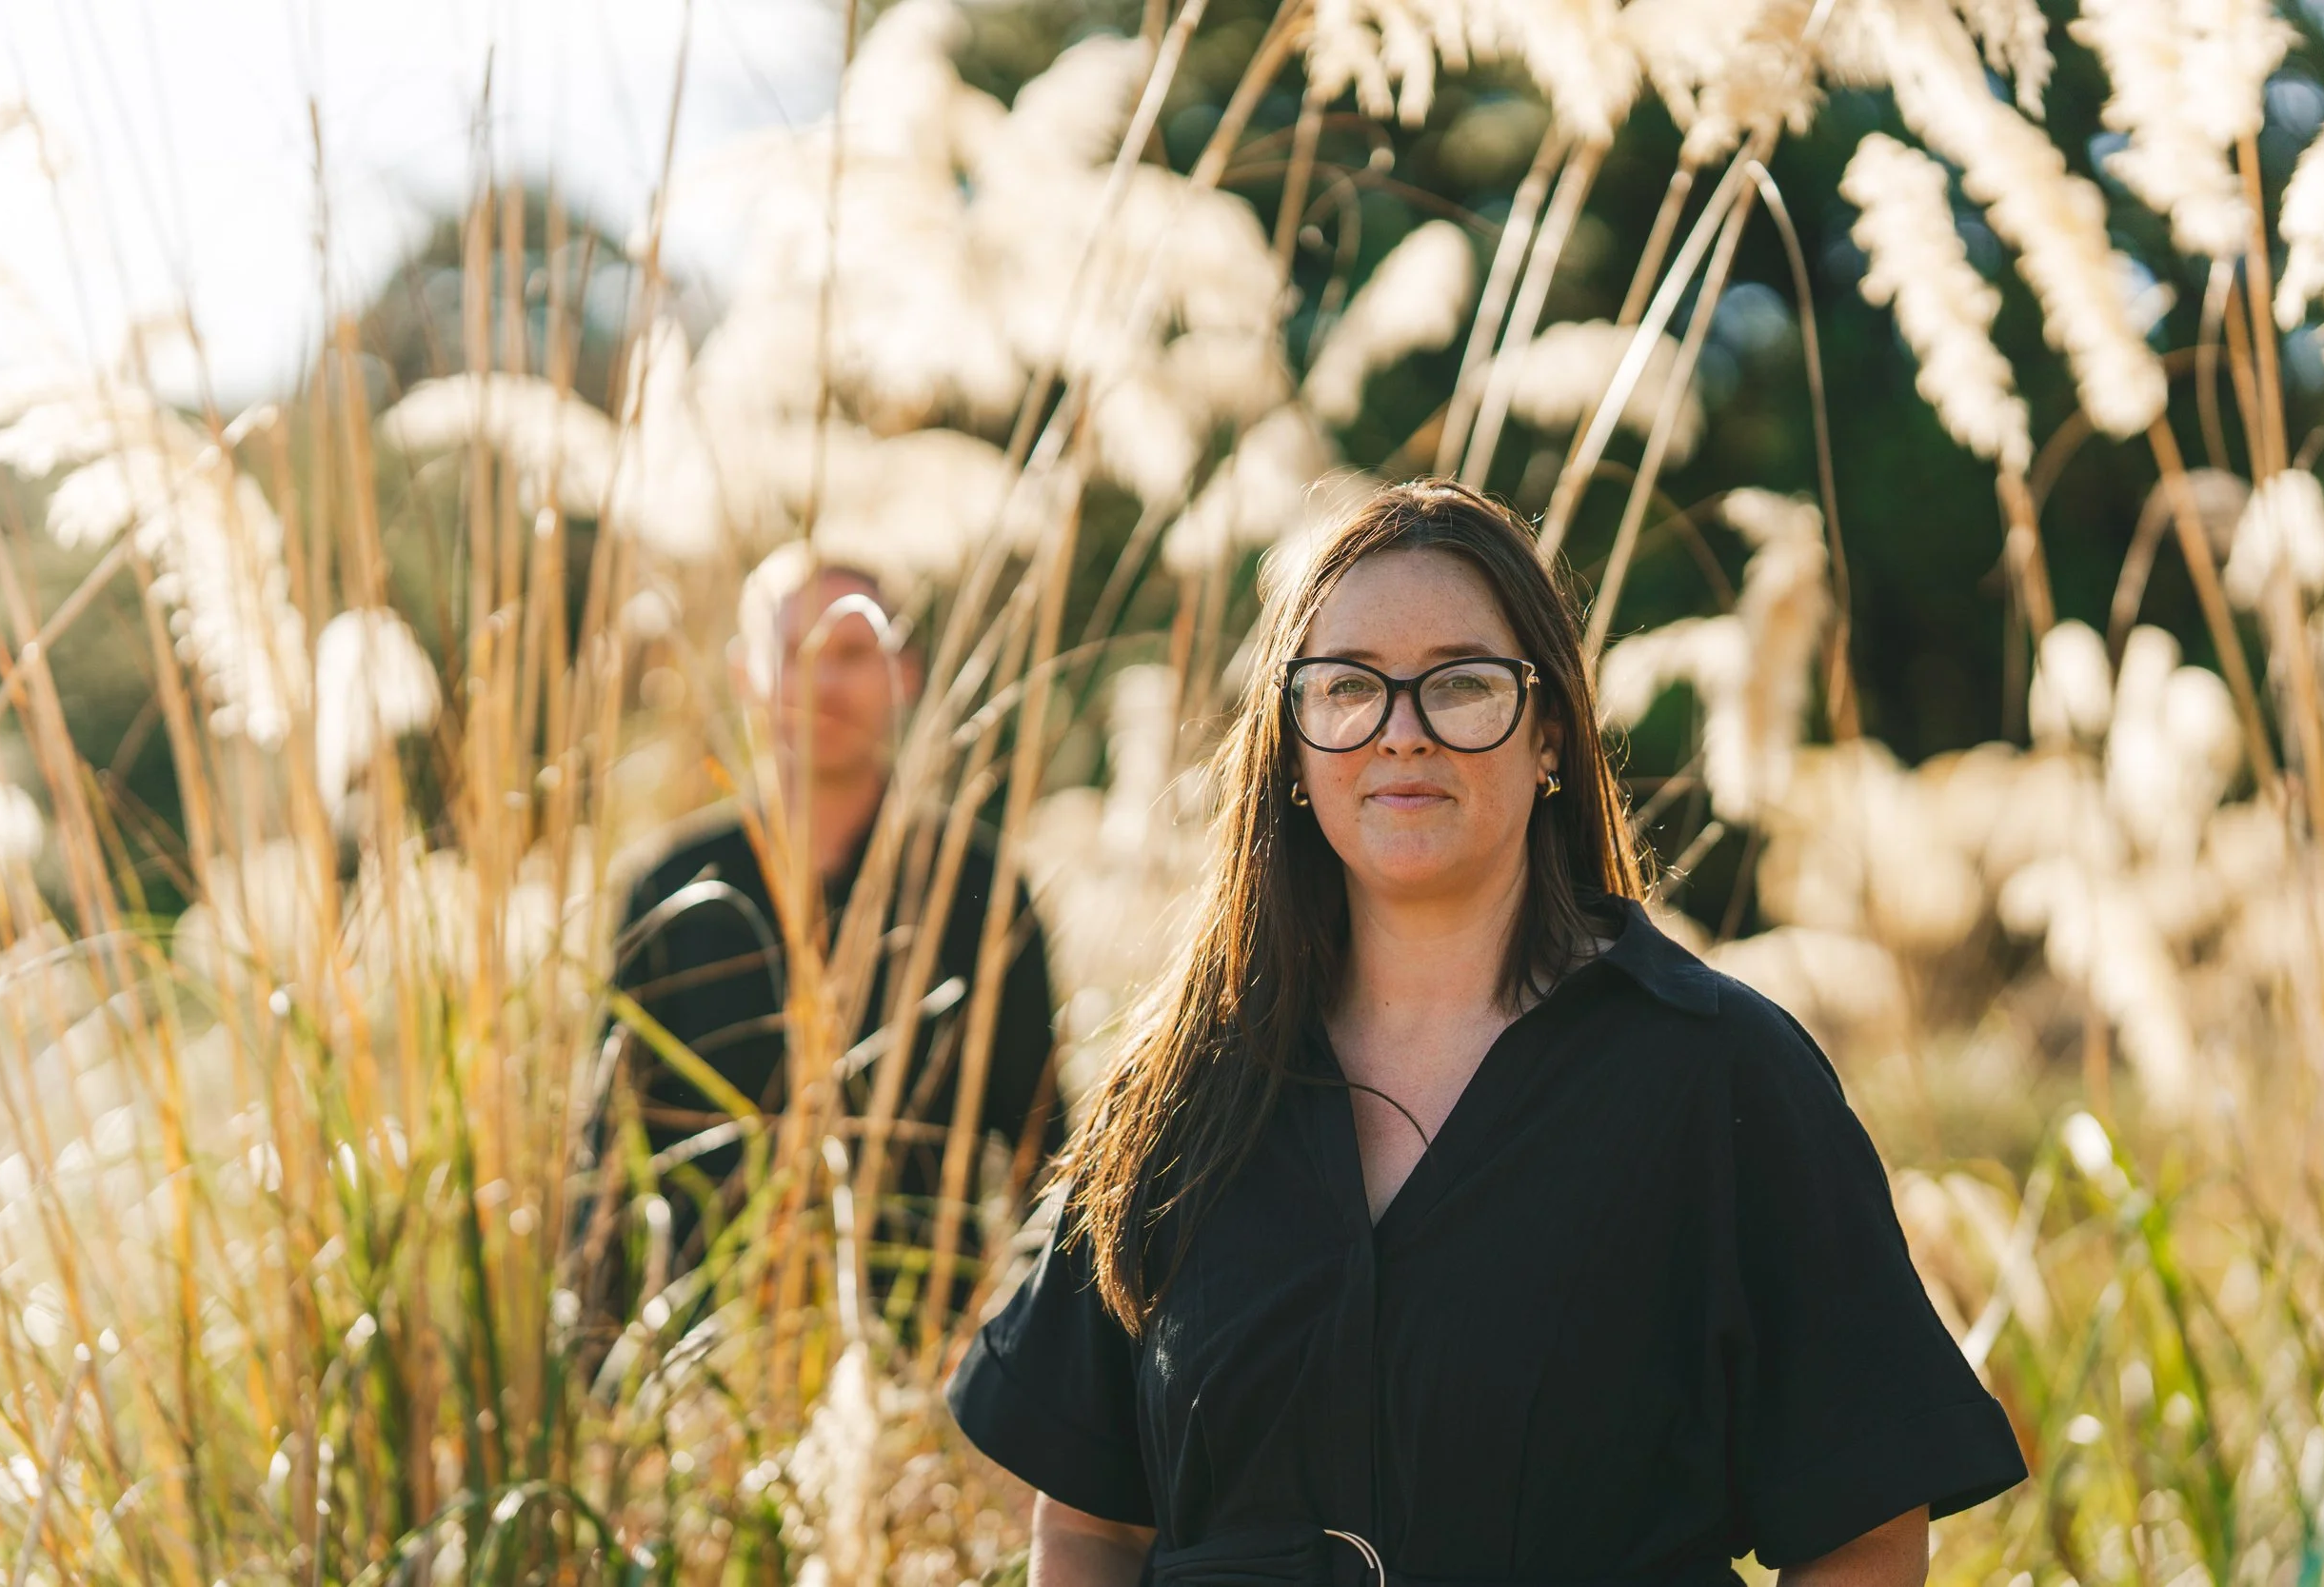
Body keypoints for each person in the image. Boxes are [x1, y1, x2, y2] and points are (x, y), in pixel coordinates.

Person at [945, 481, 2026, 1586]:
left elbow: (1866, 1534)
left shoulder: (1717, 1074)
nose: (1400, 734)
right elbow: (1088, 1527)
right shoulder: (1175, 1086)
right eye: (1348, 688)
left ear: (1548, 724)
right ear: (1291, 743)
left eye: (1461, 685)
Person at [594, 546, 1063, 1335]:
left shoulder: (976, 887)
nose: (826, 682)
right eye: (797, 653)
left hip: (922, 1374)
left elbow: (1045, 1152)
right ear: (747, 673)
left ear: (904, 673)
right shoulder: (667, 889)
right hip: (695, 1373)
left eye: (853, 653)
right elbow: (605, 1155)